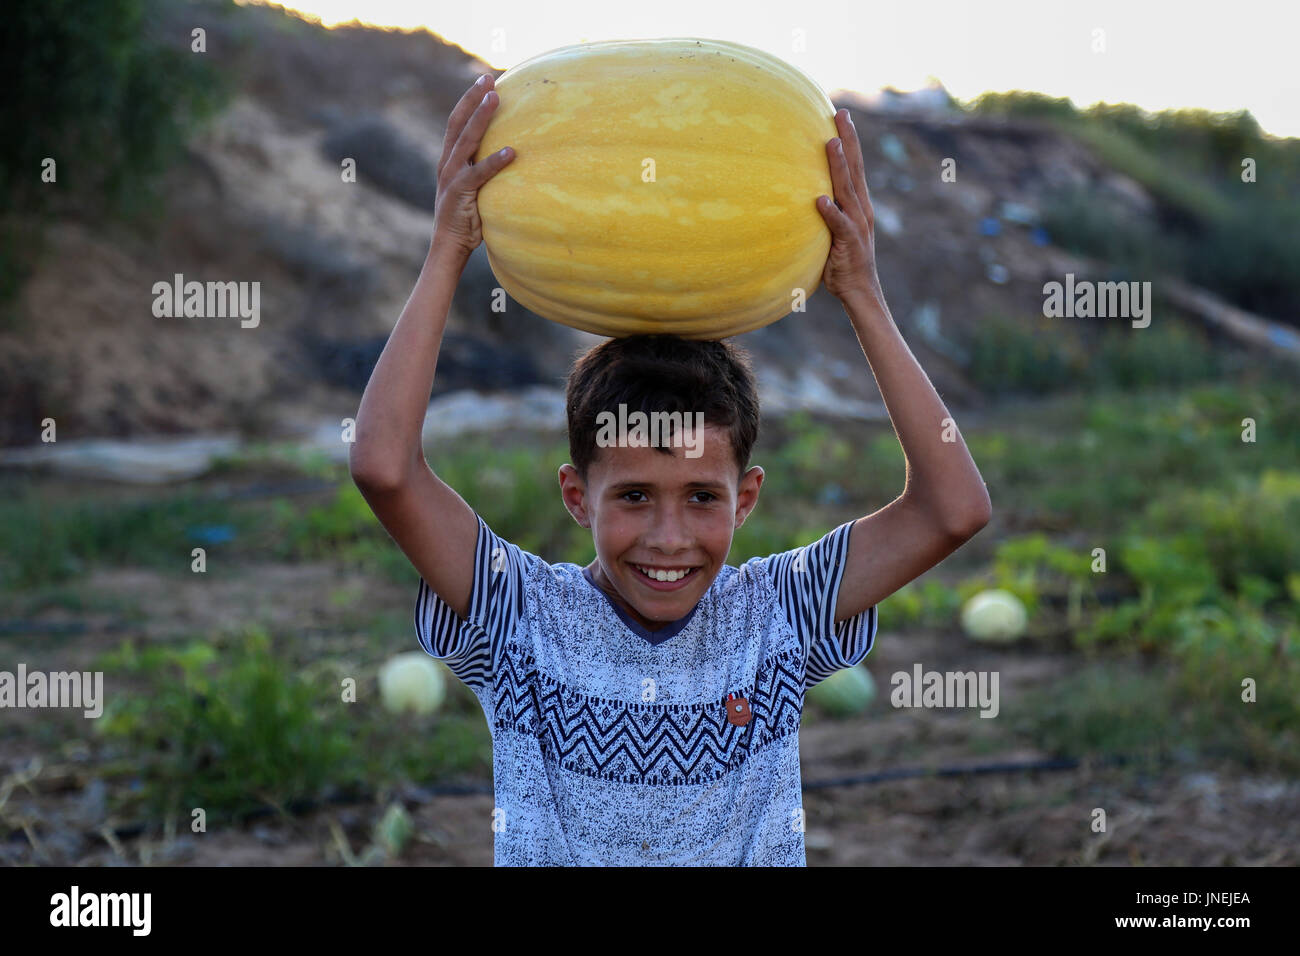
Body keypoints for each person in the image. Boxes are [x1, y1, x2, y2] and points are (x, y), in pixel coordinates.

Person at [350, 73, 992, 865]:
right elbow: (384, 467)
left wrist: (861, 292)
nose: (667, 537)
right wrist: (448, 251)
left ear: (746, 497)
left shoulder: (776, 618)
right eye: (632, 496)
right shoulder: (519, 617)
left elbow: (954, 508)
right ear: (575, 496)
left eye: (699, 497)